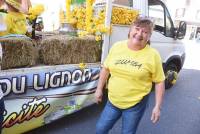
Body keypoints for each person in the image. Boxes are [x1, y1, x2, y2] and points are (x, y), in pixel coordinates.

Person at [95, 17, 165, 134]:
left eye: (145, 31)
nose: (139, 34)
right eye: (137, 29)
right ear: (130, 31)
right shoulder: (117, 47)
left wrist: (157, 106)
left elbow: (159, 81)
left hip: (136, 104)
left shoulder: (153, 55)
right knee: (100, 129)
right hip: (113, 101)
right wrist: (99, 89)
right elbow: (106, 68)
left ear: (149, 37)